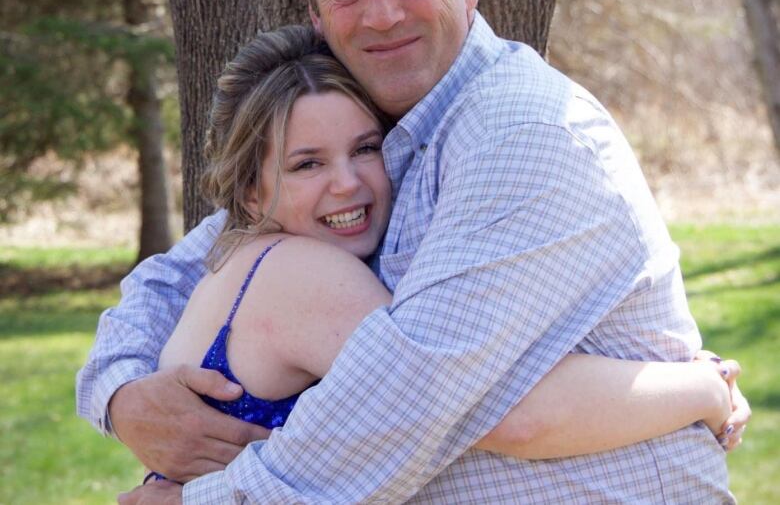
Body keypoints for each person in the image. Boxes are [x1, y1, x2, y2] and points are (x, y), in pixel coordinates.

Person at [77, 0, 747, 503]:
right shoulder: (358, 127)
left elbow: (419, 395)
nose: (383, 15)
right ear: (316, 16)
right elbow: (184, 270)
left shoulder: (522, 131)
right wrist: (121, 391)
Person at [143, 24, 736, 484]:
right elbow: (500, 411)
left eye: (365, 149)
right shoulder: (302, 274)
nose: (348, 183)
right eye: (308, 164)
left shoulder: (243, 258)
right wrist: (700, 389)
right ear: (251, 190)